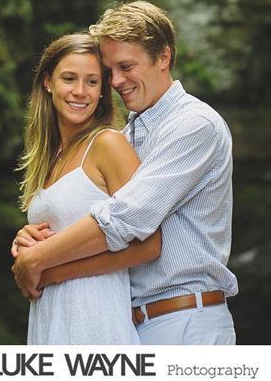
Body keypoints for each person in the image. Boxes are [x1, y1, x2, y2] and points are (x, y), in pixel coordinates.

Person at [12, 1, 237, 345]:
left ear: (163, 57)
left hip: (184, 321)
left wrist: (40, 261)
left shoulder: (193, 125)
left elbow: (126, 217)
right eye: (110, 71)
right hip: (130, 321)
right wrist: (32, 239)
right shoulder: (129, 134)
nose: (116, 81)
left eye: (126, 67)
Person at [15, 33, 162, 345]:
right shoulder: (47, 157)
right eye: (69, 78)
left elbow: (148, 245)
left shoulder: (108, 144)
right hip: (50, 315)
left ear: (102, 91)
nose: (80, 92)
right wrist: (24, 243)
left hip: (94, 317)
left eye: (92, 82)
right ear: (47, 82)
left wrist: (45, 268)